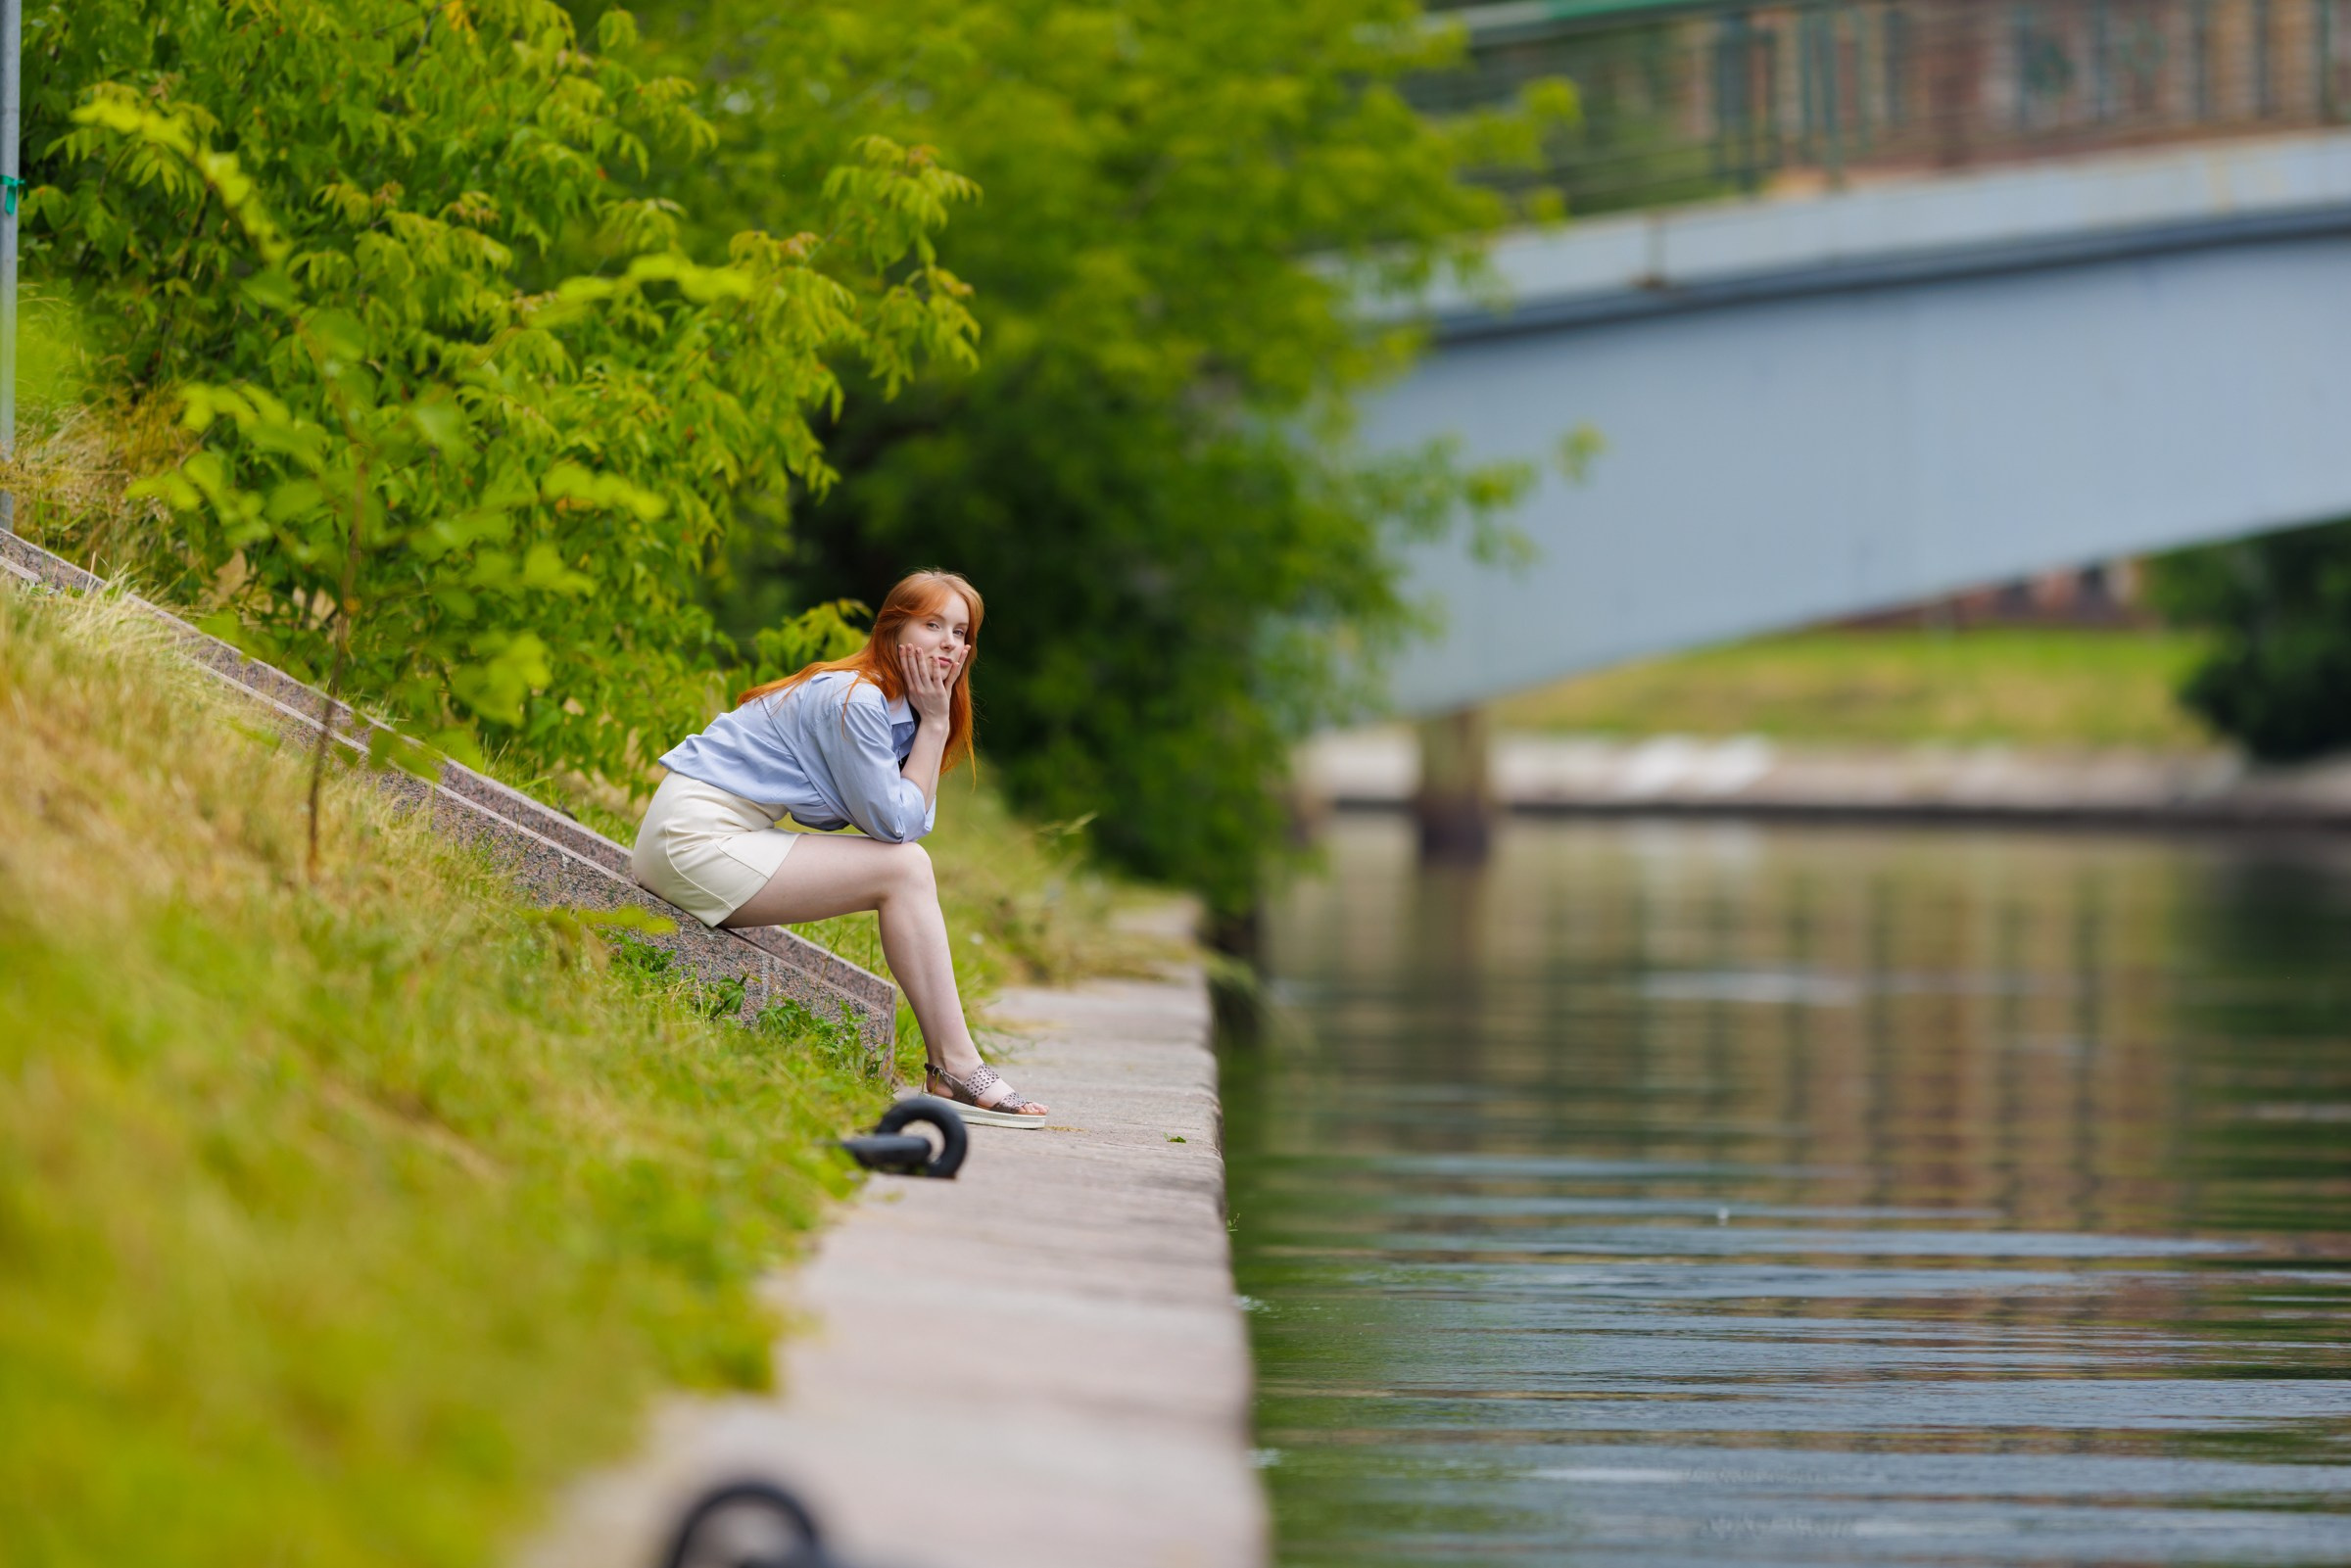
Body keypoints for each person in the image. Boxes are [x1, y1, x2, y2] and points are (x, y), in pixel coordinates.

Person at [632, 570, 1046, 1125]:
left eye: (960, 631)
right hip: (692, 839)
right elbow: (897, 827)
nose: (949, 643)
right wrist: (936, 724)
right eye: (931, 624)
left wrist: (931, 723)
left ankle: (953, 1066)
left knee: (907, 867)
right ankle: (955, 1067)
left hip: (718, 835)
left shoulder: (892, 707)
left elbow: (912, 816)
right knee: (904, 869)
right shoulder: (855, 700)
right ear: (893, 630)